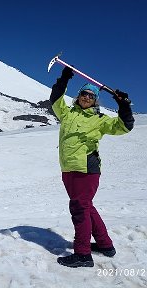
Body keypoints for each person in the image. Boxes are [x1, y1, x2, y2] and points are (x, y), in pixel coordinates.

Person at [50, 66, 134, 268]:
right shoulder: (68, 114)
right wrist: (64, 79)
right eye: (84, 94)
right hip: (68, 168)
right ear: (79, 96)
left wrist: (123, 106)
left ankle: (83, 254)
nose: (87, 97)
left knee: (79, 208)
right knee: (86, 206)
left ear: (96, 100)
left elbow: (125, 126)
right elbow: (55, 100)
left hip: (86, 170)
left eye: (91, 95)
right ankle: (105, 245)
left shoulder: (100, 120)